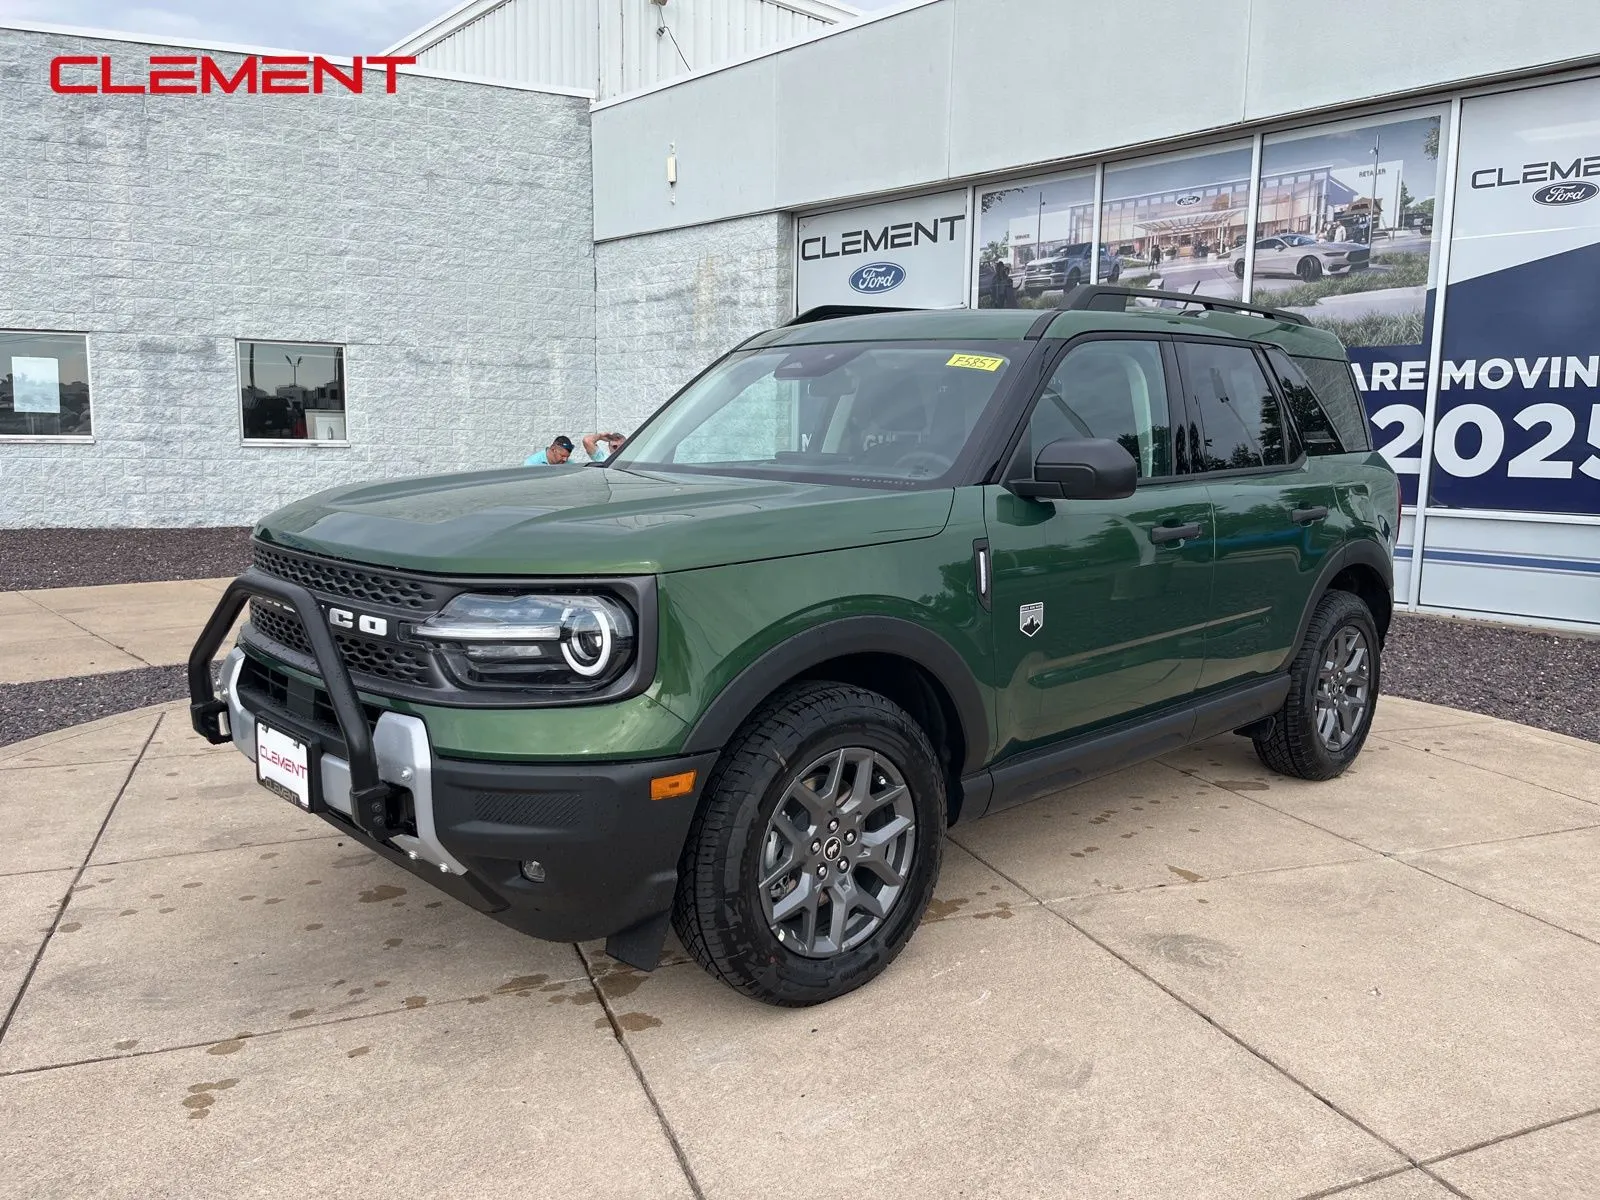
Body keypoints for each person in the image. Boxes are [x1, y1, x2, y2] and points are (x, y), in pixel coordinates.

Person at [524, 431, 627, 467]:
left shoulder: (570, 464)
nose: (618, 449)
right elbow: (587, 440)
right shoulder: (604, 459)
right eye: (614, 446)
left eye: (622, 446)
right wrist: (600, 436)